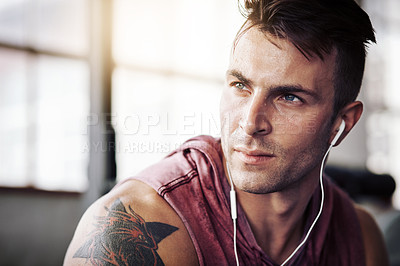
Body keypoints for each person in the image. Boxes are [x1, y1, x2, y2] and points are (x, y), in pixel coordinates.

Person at [64, 0, 389, 265]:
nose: (250, 122)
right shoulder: (139, 227)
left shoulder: (360, 240)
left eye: (289, 97)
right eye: (240, 85)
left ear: (342, 123)